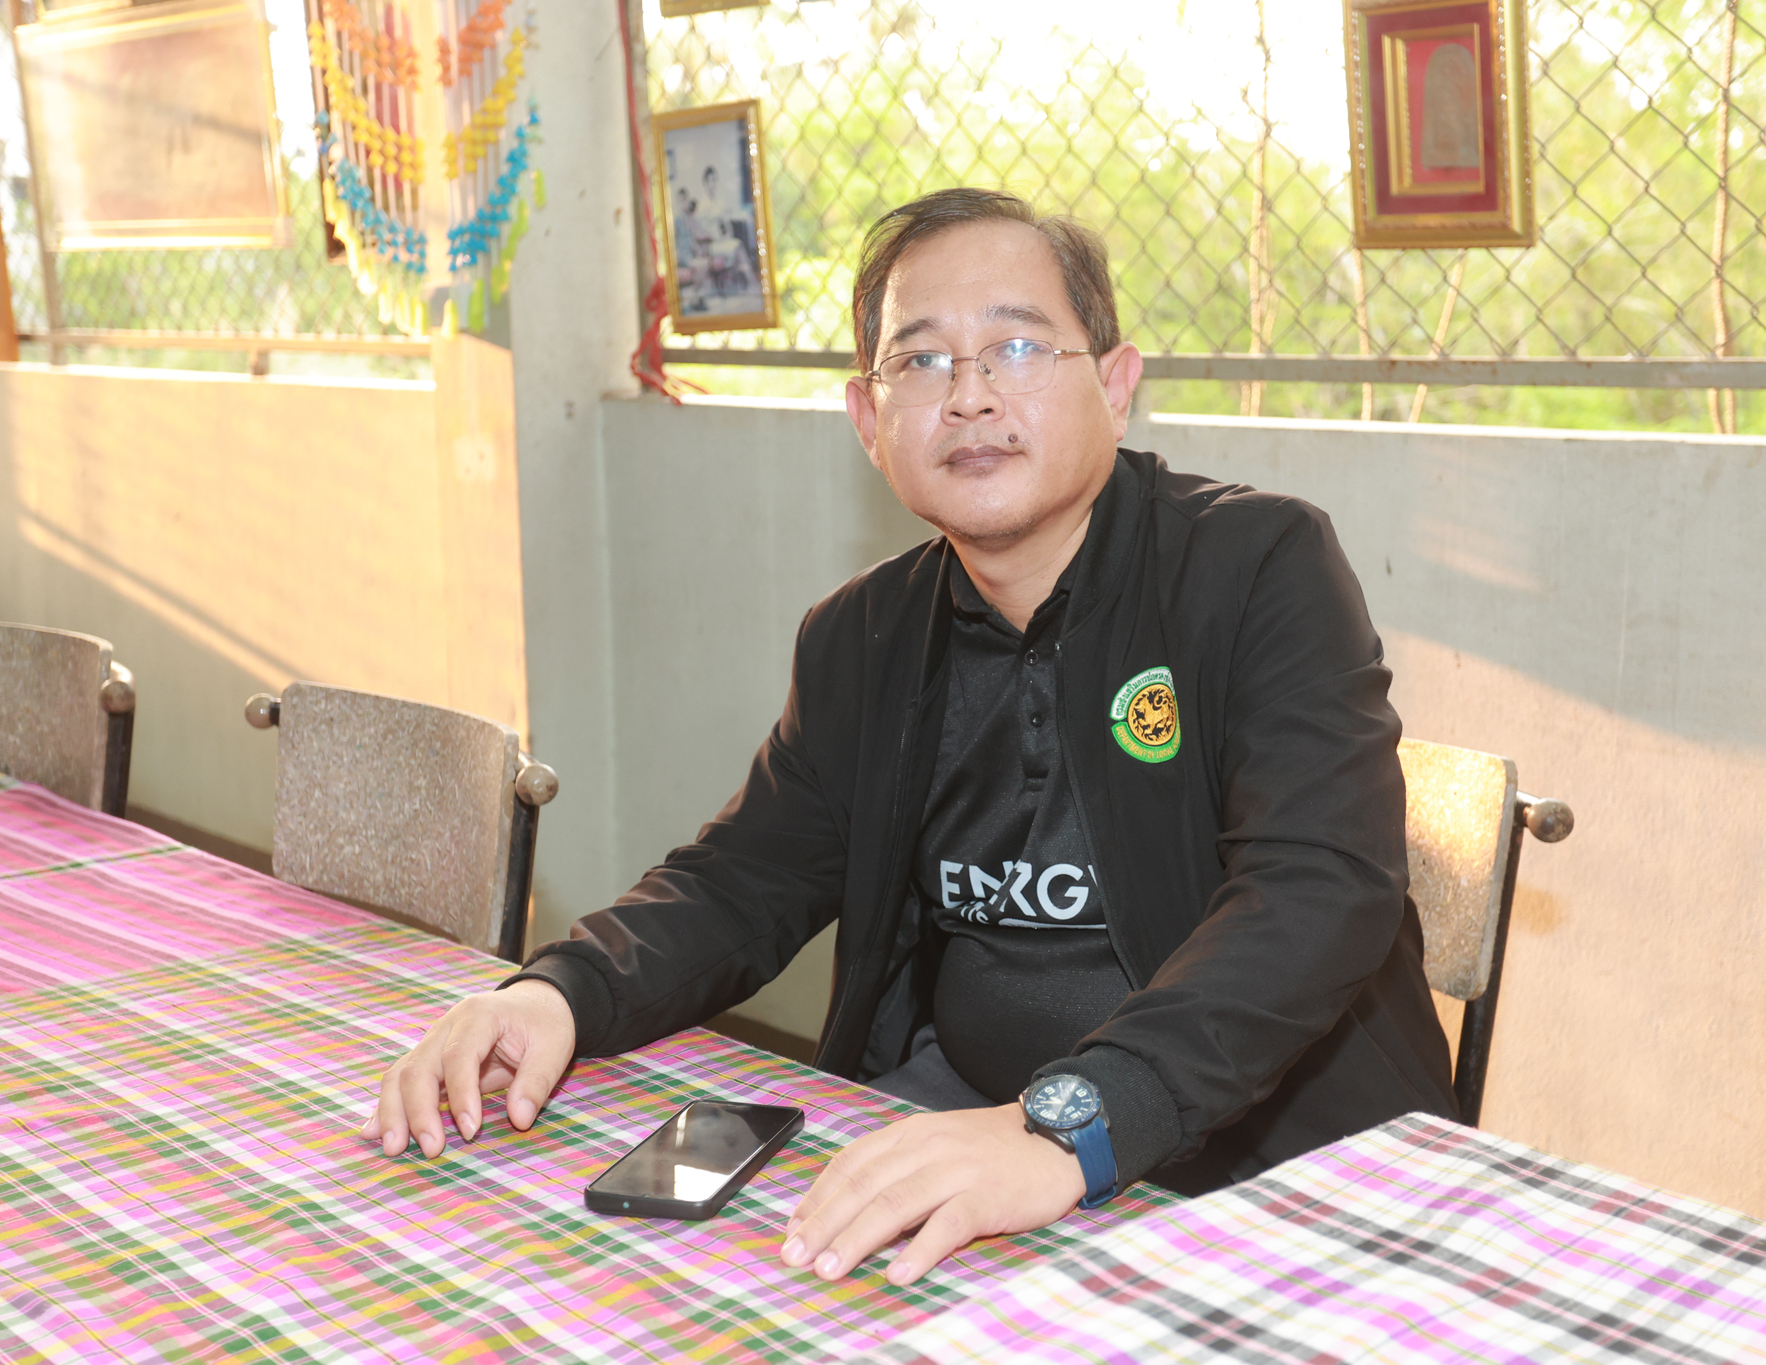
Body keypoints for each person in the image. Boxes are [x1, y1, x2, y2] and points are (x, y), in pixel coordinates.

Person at [365, 187, 1455, 1286]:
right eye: (922, 361)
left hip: (1263, 1150)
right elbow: (742, 881)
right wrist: (555, 990)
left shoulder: (1258, 568)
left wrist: (1070, 1120)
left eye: (1017, 346)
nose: (970, 397)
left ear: (1116, 385)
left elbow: (1316, 888)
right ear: (867, 420)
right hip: (966, 1114)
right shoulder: (864, 636)